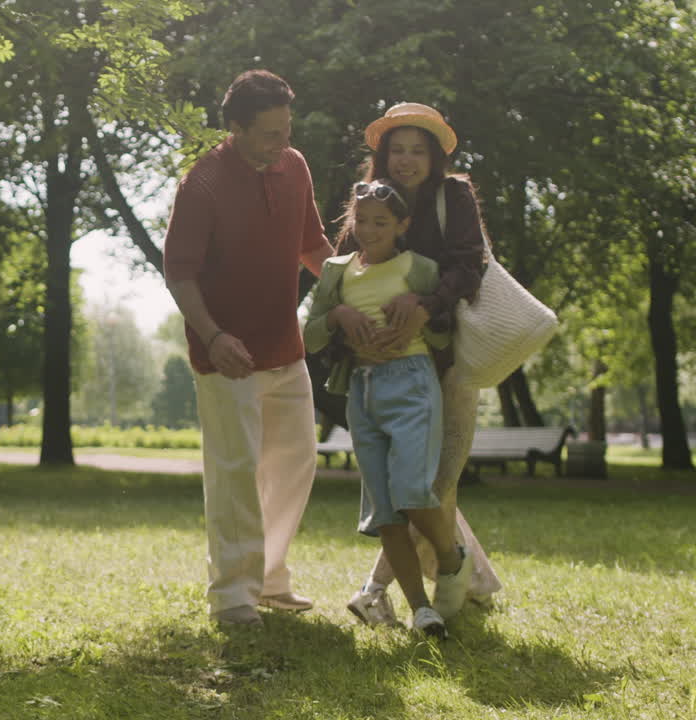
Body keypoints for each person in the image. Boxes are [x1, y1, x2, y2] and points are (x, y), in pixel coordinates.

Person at [162, 69, 334, 626]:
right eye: (268, 133)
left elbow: (313, 244)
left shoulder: (295, 165)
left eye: (286, 129)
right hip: (226, 354)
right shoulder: (203, 183)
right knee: (235, 469)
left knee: (295, 463)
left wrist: (346, 292)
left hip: (285, 346)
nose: (280, 142)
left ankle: (269, 578)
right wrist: (213, 335)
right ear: (235, 128)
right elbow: (179, 273)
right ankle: (233, 596)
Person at [338, 102, 504, 627]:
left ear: (433, 156)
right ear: (383, 154)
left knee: (436, 480)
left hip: (447, 360)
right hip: (380, 369)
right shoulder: (367, 204)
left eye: (417, 150)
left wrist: (424, 303)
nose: (406, 160)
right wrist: (343, 315)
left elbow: (468, 265)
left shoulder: (452, 195)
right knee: (407, 483)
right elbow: (340, 270)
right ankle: (453, 581)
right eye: (397, 149)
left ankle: (381, 589)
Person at [302, 179, 469, 635]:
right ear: (351, 221)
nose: (370, 229)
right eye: (362, 220)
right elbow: (309, 335)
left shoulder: (419, 267)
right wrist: (338, 316)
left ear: (403, 225)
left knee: (412, 489)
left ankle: (453, 559)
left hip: (413, 383)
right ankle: (421, 609)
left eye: (381, 222)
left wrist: (417, 310)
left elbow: (445, 330)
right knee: (386, 513)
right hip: (363, 389)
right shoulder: (337, 270)